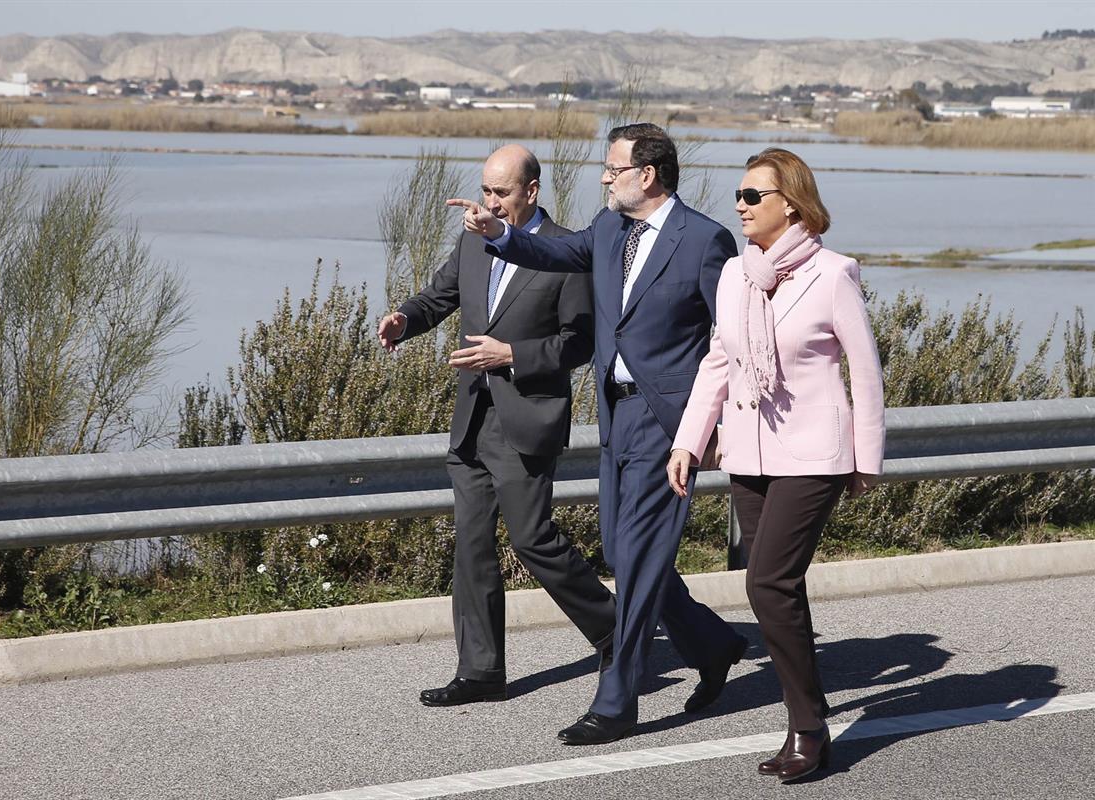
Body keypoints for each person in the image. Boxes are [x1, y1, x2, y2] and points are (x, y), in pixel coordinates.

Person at [449, 124, 747, 745]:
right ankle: (712, 643)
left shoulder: (705, 242)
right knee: (622, 550)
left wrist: (710, 425)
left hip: (668, 425)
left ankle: (617, 699)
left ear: (649, 174)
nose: (604, 178)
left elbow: (731, 342)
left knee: (636, 560)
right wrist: (498, 234)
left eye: (614, 169)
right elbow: (556, 253)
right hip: (614, 414)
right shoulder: (608, 229)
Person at [667, 147, 885, 782]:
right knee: (774, 591)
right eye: (738, 195)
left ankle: (810, 727)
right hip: (749, 451)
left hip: (814, 454)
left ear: (789, 202)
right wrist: (688, 441)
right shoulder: (737, 274)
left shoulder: (834, 273)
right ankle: (804, 720)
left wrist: (866, 458)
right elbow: (719, 361)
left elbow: (864, 372)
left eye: (753, 195)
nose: (740, 204)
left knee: (767, 582)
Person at [379, 144, 616, 708]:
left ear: (531, 192)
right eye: (485, 190)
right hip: (472, 421)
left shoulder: (565, 251)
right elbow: (439, 298)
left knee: (534, 541)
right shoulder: (472, 240)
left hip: (526, 418)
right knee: (472, 547)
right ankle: (481, 671)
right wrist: (403, 320)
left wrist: (511, 354)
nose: (489, 202)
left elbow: (579, 343)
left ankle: (615, 631)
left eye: (501, 192)